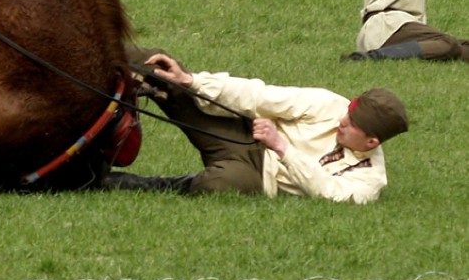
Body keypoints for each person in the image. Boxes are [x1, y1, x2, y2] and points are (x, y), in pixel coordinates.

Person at [105, 53, 409, 204]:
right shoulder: (329, 105)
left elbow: (329, 194)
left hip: (261, 176)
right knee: (166, 77)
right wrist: (193, 81)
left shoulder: (370, 179)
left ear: (371, 142)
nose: (342, 120)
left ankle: (126, 183)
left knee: (216, 186)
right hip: (246, 135)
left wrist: (283, 148)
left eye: (352, 124)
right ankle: (103, 60)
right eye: (349, 112)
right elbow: (260, 95)